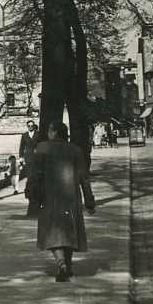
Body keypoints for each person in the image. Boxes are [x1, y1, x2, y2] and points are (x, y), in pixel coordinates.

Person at [28, 121, 96, 282]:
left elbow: (35, 174)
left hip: (49, 196)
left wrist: (31, 194)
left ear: (54, 132)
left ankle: (61, 264)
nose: (48, 133)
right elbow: (84, 178)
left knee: (53, 232)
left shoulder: (43, 148)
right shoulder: (75, 150)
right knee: (69, 230)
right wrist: (90, 201)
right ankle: (68, 265)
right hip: (71, 197)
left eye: (50, 130)